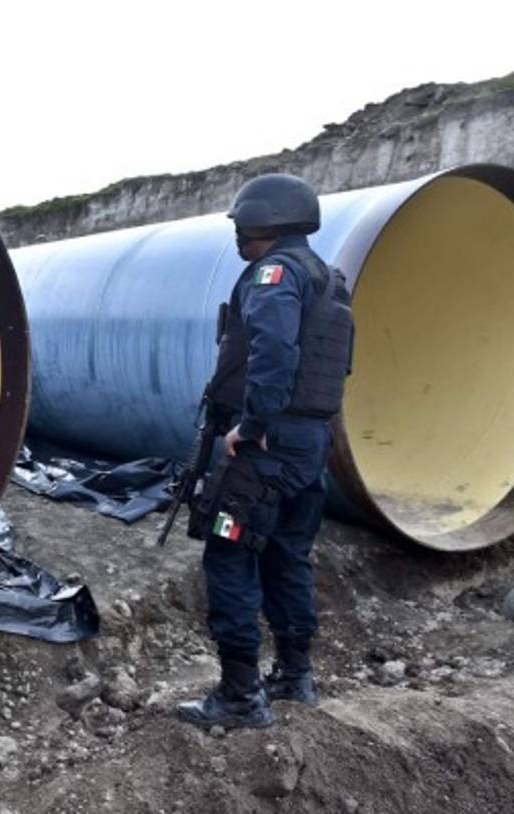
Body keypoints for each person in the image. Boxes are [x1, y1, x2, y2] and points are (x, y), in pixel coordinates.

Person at [176, 173, 354, 730]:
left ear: (263, 223)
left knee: (229, 555)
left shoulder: (274, 275)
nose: (237, 235)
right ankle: (295, 677)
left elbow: (274, 349)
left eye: (241, 225)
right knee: (288, 555)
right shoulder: (329, 278)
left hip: (266, 447)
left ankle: (238, 696)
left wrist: (251, 425)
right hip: (309, 445)